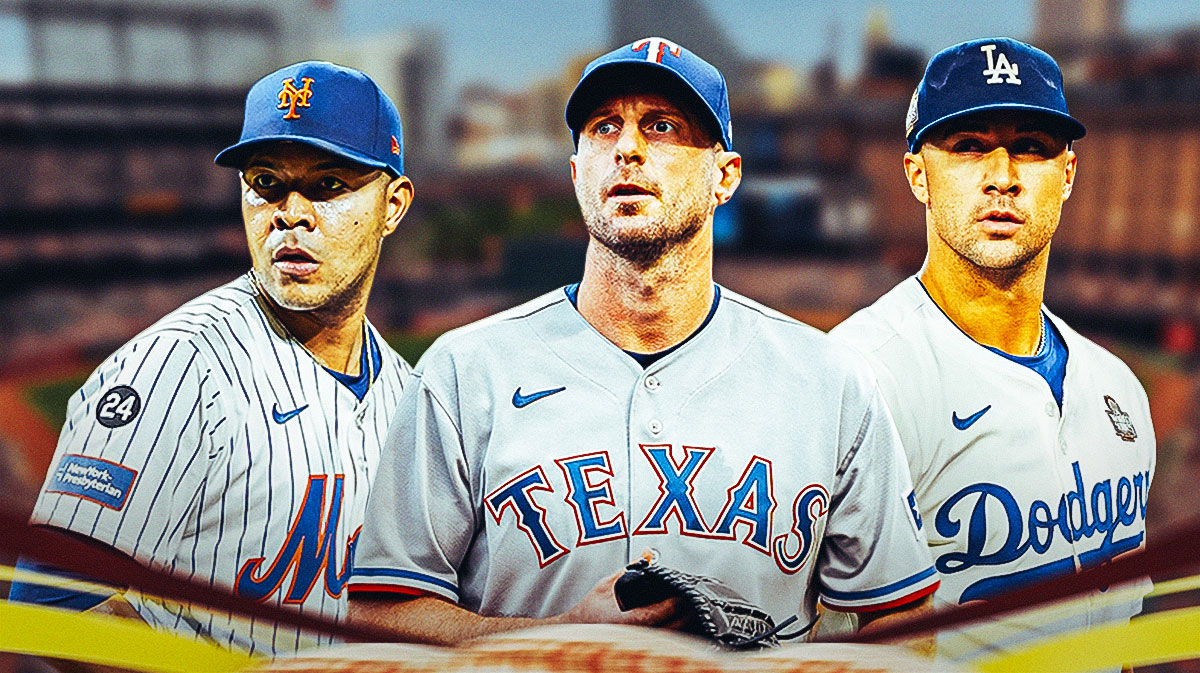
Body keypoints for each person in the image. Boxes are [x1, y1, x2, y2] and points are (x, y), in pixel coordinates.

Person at [346, 37, 938, 646]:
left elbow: (902, 615)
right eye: (605, 128)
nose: (627, 149)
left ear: (724, 175)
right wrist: (551, 640)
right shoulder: (464, 372)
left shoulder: (828, 380)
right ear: (578, 174)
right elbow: (382, 614)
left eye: (661, 127)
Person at [10, 61, 414, 655]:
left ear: (393, 205)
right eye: (266, 183)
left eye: (328, 185)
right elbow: (53, 612)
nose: (290, 213)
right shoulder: (174, 368)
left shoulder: (409, 395)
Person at [830, 38, 1155, 661]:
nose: (1002, 177)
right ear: (917, 174)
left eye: (1030, 149)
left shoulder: (1120, 392)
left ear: (1067, 175)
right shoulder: (858, 378)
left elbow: (1126, 629)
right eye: (969, 147)